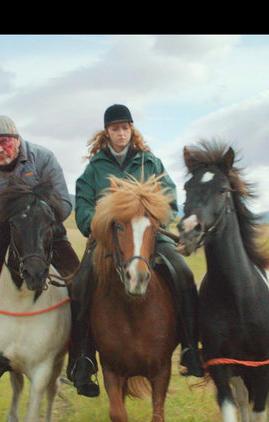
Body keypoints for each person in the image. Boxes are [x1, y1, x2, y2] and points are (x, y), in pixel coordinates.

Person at [68, 104, 204, 397]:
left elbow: (168, 198)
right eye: (115, 129)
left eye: (125, 127)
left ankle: (191, 348)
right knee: (80, 284)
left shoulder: (149, 162)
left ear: (132, 130)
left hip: (149, 237)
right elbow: (82, 203)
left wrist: (156, 217)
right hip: (110, 241)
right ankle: (82, 359)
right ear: (107, 133)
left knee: (182, 271)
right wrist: (94, 223)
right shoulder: (94, 169)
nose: (121, 133)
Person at [0, 115, 80, 396]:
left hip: (46, 237)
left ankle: (79, 362)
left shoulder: (43, 158)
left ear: (16, 139)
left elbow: (63, 201)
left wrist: (38, 217)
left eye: (4, 142)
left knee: (82, 285)